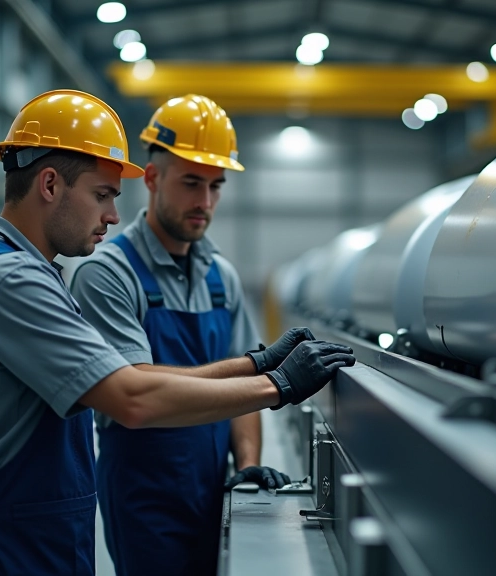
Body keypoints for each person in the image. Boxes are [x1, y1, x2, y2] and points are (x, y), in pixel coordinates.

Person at [0, 89, 355, 576]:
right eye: (102, 196)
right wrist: (277, 385)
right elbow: (133, 395)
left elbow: (120, 381)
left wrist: (255, 363)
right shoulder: (12, 280)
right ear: (49, 184)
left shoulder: (29, 272)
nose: (112, 216)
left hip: (31, 538)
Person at [70, 94, 296, 576]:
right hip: (145, 496)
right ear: (152, 179)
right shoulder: (109, 273)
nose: (205, 202)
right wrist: (269, 376)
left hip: (215, 485)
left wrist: (247, 464)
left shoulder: (223, 278)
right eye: (192, 183)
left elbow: (242, 394)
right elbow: (137, 389)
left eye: (216, 186)